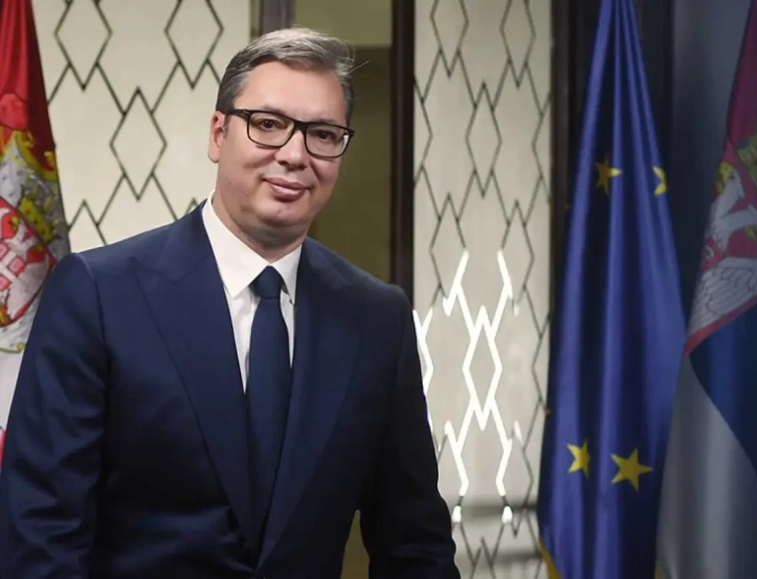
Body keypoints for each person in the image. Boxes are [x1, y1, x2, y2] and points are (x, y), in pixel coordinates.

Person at [0, 27, 459, 578]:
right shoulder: (97, 294)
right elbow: (42, 535)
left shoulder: (376, 318)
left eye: (323, 134)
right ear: (219, 134)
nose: (295, 155)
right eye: (268, 124)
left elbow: (416, 546)